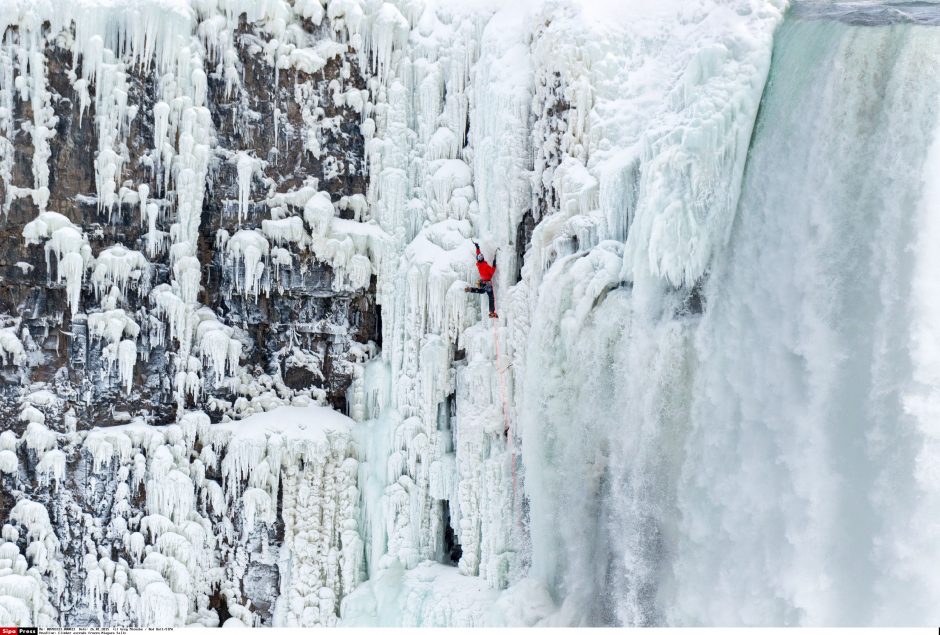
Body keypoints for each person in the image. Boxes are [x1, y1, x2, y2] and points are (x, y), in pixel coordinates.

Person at [465, 241, 497, 318]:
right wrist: (494, 263)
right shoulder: (485, 265)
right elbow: (492, 271)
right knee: (491, 297)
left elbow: (478, 254)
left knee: (482, 291)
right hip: (487, 283)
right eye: (482, 257)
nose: (482, 257)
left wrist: (477, 247)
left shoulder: (479, 264)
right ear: (482, 259)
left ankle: (471, 290)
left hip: (483, 282)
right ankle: (492, 312)